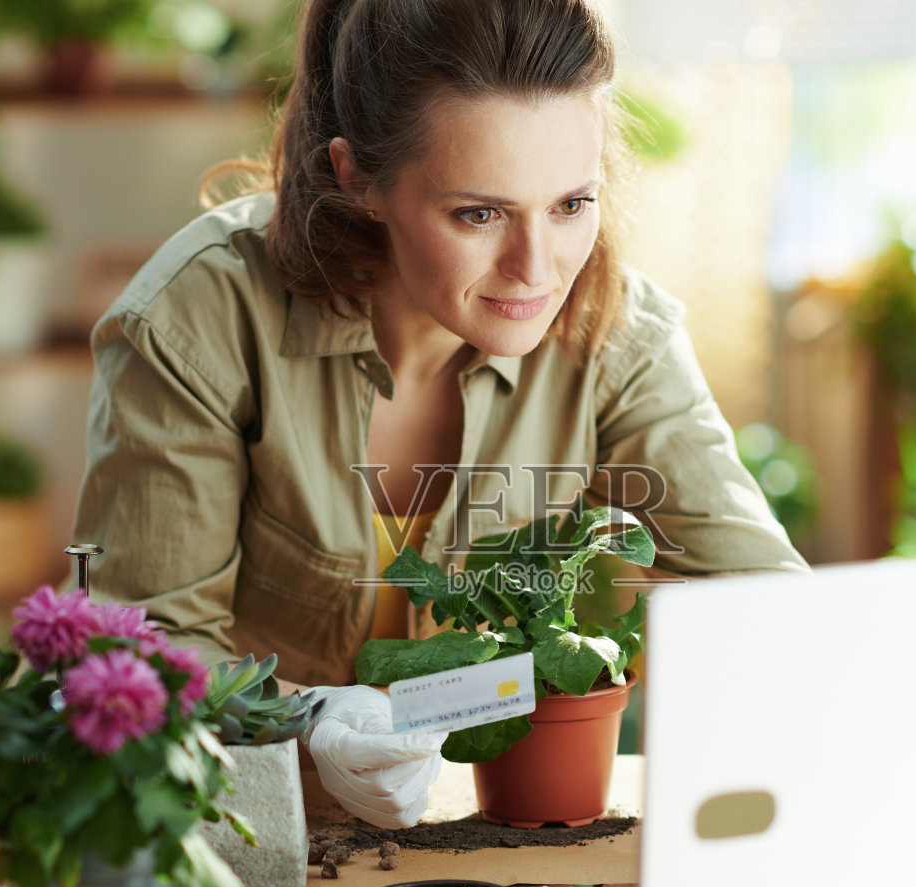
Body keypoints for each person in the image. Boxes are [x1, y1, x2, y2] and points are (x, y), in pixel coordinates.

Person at [71, 0, 808, 827]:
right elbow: (141, 651)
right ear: (357, 176)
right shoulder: (194, 319)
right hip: (236, 837)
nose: (538, 269)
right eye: (480, 213)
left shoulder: (615, 333)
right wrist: (309, 721)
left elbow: (762, 607)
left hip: (477, 841)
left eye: (571, 204)